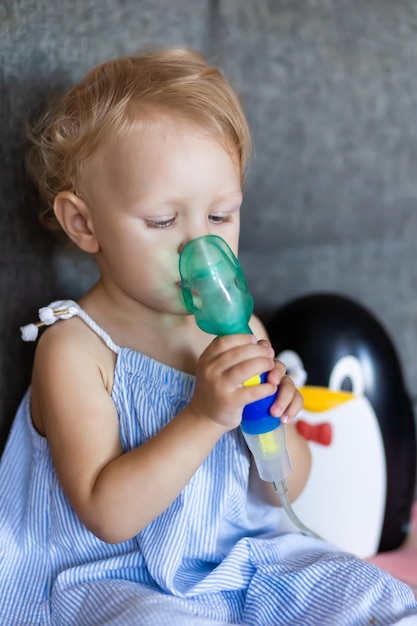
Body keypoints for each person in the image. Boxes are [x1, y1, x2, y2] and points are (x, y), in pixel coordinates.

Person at [0, 48, 416, 626]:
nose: (201, 249)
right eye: (164, 222)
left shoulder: (241, 330)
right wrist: (202, 417)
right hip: (113, 576)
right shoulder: (75, 348)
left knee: (363, 594)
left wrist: (279, 422)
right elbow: (106, 513)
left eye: (221, 216)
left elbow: (281, 490)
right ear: (84, 223)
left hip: (241, 561)